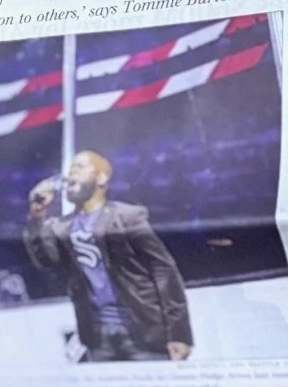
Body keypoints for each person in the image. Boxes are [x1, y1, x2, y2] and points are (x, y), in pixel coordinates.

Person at [23, 150, 193, 362]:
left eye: (79, 167)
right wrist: (38, 215)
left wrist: (178, 333)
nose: (70, 175)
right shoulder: (62, 226)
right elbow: (46, 261)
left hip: (142, 330)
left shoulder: (127, 217)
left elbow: (163, 270)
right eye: (69, 170)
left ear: (102, 178)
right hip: (97, 335)